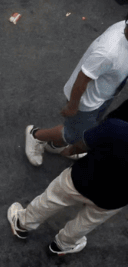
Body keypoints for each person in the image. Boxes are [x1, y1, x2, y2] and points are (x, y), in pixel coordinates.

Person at [10, 116, 128, 255]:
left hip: (81, 179)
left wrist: (69, 151)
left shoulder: (118, 128)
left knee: (51, 200)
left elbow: (83, 145)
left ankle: (22, 223)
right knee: (85, 223)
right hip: (113, 200)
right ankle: (62, 245)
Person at [27, 20, 128, 161]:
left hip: (104, 95)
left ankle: (55, 145)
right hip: (86, 100)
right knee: (73, 134)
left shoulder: (122, 33)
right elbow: (82, 79)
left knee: (85, 127)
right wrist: (73, 106)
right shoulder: (108, 52)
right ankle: (35, 135)